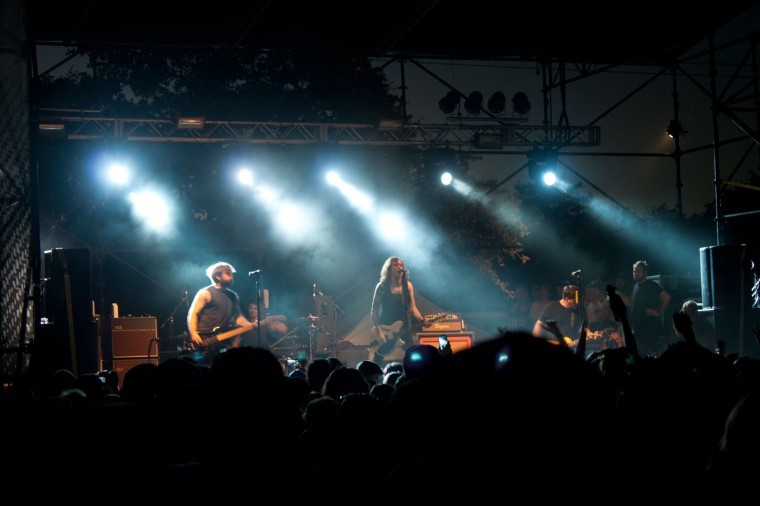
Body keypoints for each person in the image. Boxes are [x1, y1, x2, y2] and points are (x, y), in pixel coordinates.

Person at [186, 261, 256, 363]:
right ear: (218, 276)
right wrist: (193, 333)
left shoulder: (234, 296)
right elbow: (193, 314)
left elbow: (238, 318)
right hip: (203, 339)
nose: (232, 276)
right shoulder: (205, 293)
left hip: (221, 339)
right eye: (228, 273)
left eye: (231, 274)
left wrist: (250, 325)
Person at [370, 256, 424, 364]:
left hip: (404, 328)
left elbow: (413, 308)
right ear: (389, 270)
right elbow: (374, 310)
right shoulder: (382, 287)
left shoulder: (408, 286)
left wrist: (422, 320)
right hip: (386, 330)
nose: (399, 267)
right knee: (378, 359)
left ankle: (414, 377)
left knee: (415, 356)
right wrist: (378, 331)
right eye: (395, 265)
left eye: (401, 265)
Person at [629, 260, 672, 357]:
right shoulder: (634, 287)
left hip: (649, 330)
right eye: (634, 271)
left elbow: (667, 297)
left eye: (639, 271)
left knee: (650, 355)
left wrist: (659, 313)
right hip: (637, 330)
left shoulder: (652, 286)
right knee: (637, 354)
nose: (636, 273)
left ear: (645, 273)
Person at [582, 279, 623, 354]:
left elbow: (604, 318)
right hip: (596, 338)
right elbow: (590, 323)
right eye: (591, 290)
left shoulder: (608, 301)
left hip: (608, 337)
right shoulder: (590, 305)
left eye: (595, 290)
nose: (592, 292)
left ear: (601, 291)